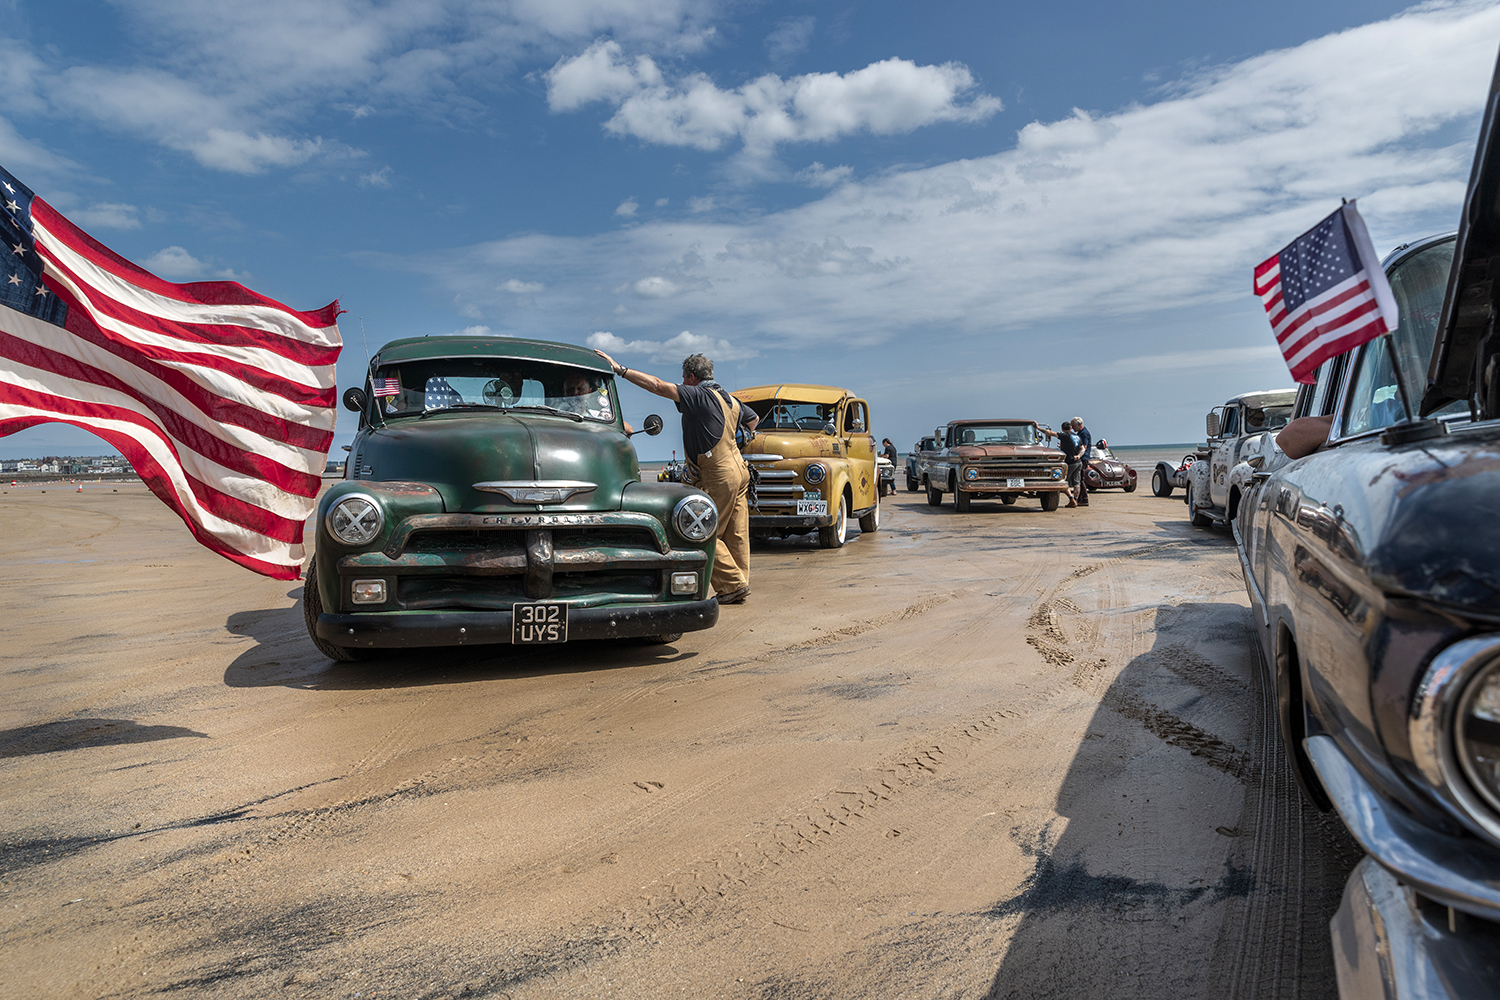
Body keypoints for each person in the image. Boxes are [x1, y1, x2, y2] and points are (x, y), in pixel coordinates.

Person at [592, 348, 757, 604]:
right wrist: (744, 437)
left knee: (702, 531)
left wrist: (620, 369)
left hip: (718, 473)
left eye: (682, 378)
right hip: (740, 470)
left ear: (691, 377)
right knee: (736, 533)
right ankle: (739, 583)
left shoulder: (699, 395)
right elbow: (753, 419)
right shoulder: (729, 399)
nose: (681, 383)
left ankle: (732, 585)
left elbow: (658, 385)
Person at [1043, 419, 1080, 507]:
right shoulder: (1076, 436)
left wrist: (1038, 428)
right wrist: (1079, 455)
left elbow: (1050, 433)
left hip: (1070, 462)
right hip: (1078, 461)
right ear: (1071, 428)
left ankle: (1071, 499)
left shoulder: (1064, 435)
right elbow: (1081, 447)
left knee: (1062, 481)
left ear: (1062, 429)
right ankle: (1076, 499)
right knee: (1076, 483)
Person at [1070, 417, 1092, 506]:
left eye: (1073, 426)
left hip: (1083, 458)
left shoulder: (1084, 433)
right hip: (1082, 458)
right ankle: (1080, 498)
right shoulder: (1080, 433)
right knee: (1079, 479)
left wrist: (1078, 455)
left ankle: (1084, 499)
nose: (1072, 428)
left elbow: (1084, 446)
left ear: (1079, 424)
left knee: (1080, 479)